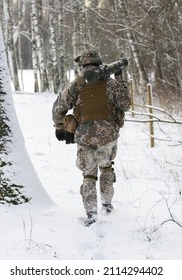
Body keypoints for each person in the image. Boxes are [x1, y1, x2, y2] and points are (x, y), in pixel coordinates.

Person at [52, 50, 131, 226]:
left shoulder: (76, 85)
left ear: (83, 66)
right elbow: (126, 105)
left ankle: (91, 214)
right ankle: (107, 204)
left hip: (85, 138)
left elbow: (59, 107)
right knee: (106, 168)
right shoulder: (111, 84)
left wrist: (59, 127)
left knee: (88, 175)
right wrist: (120, 79)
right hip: (108, 137)